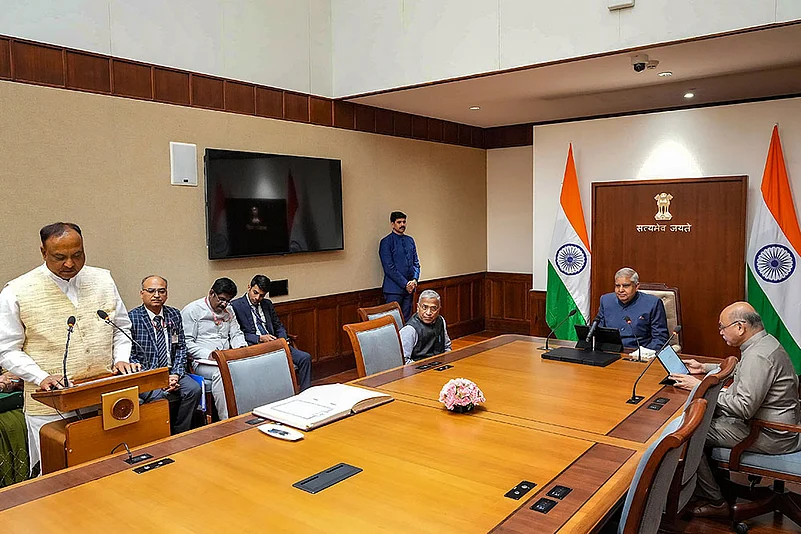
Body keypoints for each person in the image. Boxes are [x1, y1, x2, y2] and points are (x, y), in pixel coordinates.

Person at [0, 222, 139, 475]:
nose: (70, 264)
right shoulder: (16, 291)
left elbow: (121, 327)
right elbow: (7, 350)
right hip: (50, 408)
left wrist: (121, 358)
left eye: (78, 255)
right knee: (58, 479)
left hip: (103, 398)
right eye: (60, 257)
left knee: (109, 471)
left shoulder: (103, 278)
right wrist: (40, 377)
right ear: (43, 252)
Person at [669, 302, 801, 519]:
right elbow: (742, 370)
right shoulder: (764, 344)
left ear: (740, 327)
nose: (720, 332)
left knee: (689, 432)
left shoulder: (758, 356)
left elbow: (742, 407)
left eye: (722, 327)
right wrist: (705, 369)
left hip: (771, 434)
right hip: (783, 426)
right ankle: (712, 485)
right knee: (704, 419)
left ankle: (715, 501)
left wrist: (700, 387)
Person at [128, 275, 201, 434]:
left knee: (194, 389)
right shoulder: (132, 318)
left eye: (161, 291)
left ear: (166, 294)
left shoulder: (174, 314)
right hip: (147, 375)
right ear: (142, 293)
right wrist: (157, 379)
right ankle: (160, 435)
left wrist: (175, 374)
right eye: (151, 291)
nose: (156, 295)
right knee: (159, 396)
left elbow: (181, 347)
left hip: (171, 371)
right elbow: (130, 356)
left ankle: (180, 433)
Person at [230, 275, 312, 391]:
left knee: (305, 358)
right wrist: (259, 338)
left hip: (276, 344)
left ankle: (305, 394)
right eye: (255, 292)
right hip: (256, 346)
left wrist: (283, 340)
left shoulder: (267, 304)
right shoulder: (236, 306)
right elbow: (237, 334)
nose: (257, 298)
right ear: (249, 287)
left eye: (262, 295)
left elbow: (278, 326)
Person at [181, 277, 247, 420]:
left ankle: (246, 412)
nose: (224, 304)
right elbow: (186, 343)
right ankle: (228, 420)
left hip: (227, 357)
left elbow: (236, 333)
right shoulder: (192, 310)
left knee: (248, 366)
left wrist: (241, 348)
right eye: (221, 299)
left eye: (227, 301)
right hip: (203, 361)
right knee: (220, 373)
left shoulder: (229, 310)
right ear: (211, 293)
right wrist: (209, 354)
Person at [596, 267, 668, 351]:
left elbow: (660, 338)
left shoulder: (653, 303)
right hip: (611, 352)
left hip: (639, 354)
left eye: (626, 286)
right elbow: (598, 331)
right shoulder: (606, 300)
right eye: (617, 286)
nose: (620, 290)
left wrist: (644, 353)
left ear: (637, 286)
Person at [379, 211, 421, 322]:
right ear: (392, 224)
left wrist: (414, 280)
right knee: (393, 320)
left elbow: (416, 263)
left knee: (407, 320)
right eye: (399, 222)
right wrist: (405, 283)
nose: (402, 224)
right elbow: (389, 267)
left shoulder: (410, 240)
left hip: (409, 289)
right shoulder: (386, 242)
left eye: (404, 222)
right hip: (393, 290)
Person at [399, 290, 452, 363]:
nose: (428, 313)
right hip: (419, 370)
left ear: (439, 309)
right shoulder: (409, 330)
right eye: (424, 307)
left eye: (433, 309)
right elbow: (404, 360)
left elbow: (447, 347)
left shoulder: (441, 321)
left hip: (440, 366)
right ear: (418, 307)